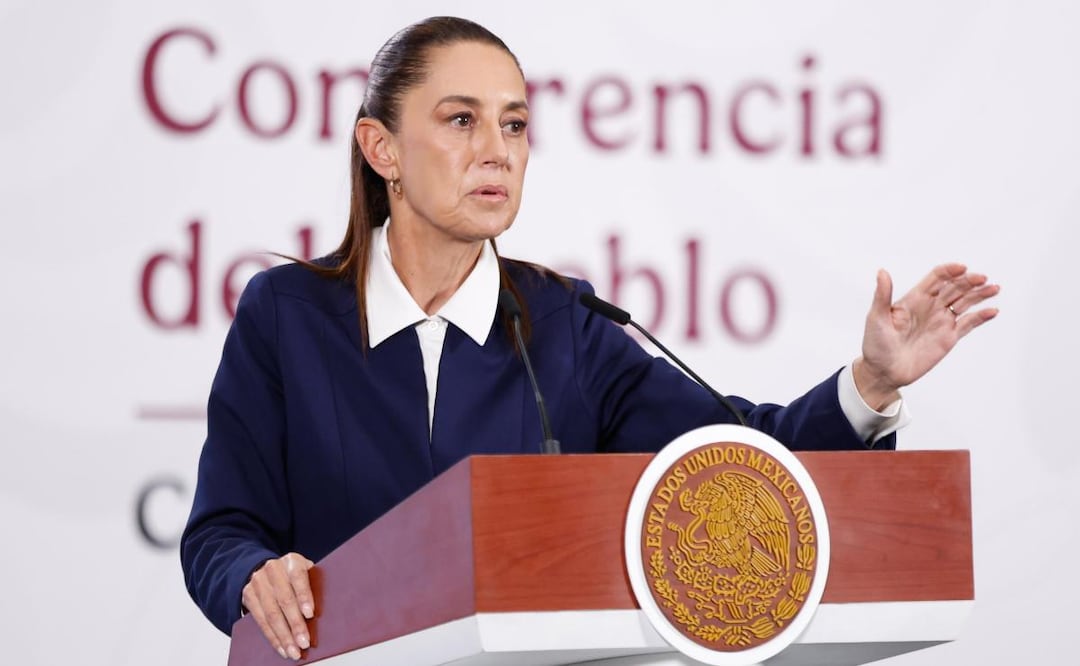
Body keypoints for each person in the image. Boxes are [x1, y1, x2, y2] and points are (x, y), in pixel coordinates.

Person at [180, 16, 999, 662]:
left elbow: (743, 459)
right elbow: (220, 533)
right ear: (380, 148)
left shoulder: (564, 326)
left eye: (515, 124)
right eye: (461, 121)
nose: (496, 151)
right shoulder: (286, 316)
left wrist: (871, 382)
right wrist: (253, 576)